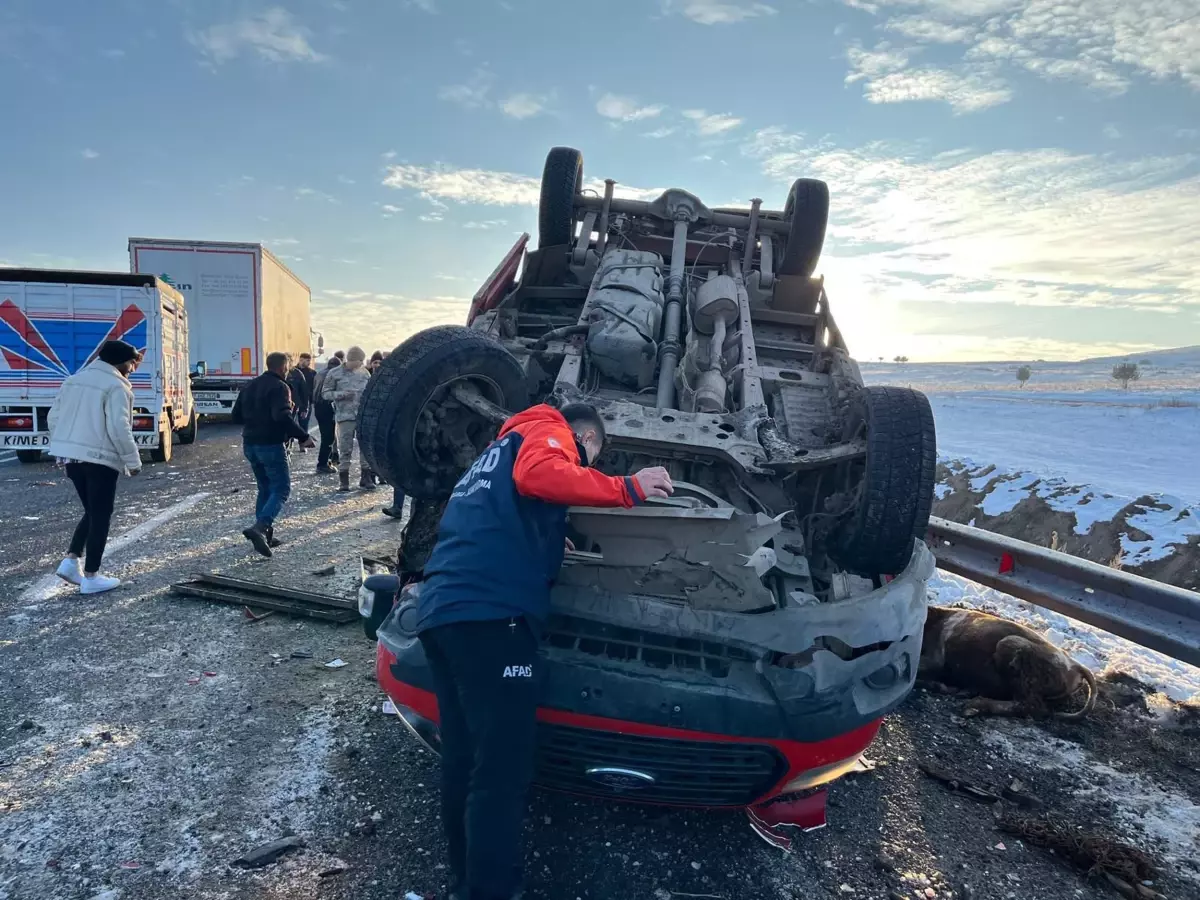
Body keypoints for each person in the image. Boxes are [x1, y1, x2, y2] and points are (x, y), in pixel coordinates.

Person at [415, 401, 673, 900]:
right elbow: (541, 476)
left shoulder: (490, 455)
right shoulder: (549, 431)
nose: (583, 467)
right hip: (494, 619)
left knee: (464, 759)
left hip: (443, 612)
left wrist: (549, 540)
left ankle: (465, 882)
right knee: (500, 770)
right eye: (587, 459)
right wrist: (627, 487)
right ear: (588, 440)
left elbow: (498, 518)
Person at [45, 340, 145, 595]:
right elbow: (118, 427)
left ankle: (71, 561)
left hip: (72, 458)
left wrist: (63, 446)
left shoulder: (73, 381)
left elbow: (53, 417)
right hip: (99, 458)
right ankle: (91, 576)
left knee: (92, 510)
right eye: (132, 363)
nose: (133, 368)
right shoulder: (116, 386)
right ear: (120, 362)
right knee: (101, 515)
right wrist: (132, 461)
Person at [231, 351, 316, 556]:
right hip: (270, 445)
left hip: (250, 444)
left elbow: (235, 415)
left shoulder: (250, 385)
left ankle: (265, 536)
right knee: (281, 489)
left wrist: (255, 420)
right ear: (282, 367)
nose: (288, 370)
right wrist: (303, 436)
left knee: (265, 488)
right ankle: (260, 528)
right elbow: (282, 416)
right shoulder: (280, 387)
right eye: (287, 367)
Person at [320, 345, 372, 493]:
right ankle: (344, 480)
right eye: (360, 361)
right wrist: (341, 394)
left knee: (365, 448)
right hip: (344, 416)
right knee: (345, 448)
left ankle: (366, 478)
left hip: (362, 417)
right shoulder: (334, 373)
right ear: (353, 360)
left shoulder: (364, 373)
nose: (361, 364)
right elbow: (325, 394)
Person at [312, 356, 341, 473]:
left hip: (318, 407)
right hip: (328, 406)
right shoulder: (334, 375)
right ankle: (322, 463)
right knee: (328, 437)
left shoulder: (319, 374)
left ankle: (325, 461)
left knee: (326, 435)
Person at [287, 352, 316, 443]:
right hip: (293, 402)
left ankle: (303, 444)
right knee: (291, 424)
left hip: (305, 401)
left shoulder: (312, 373)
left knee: (304, 424)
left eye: (309, 361)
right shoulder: (293, 372)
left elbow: (312, 388)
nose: (308, 363)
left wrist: (310, 401)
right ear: (301, 359)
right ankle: (289, 443)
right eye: (307, 360)